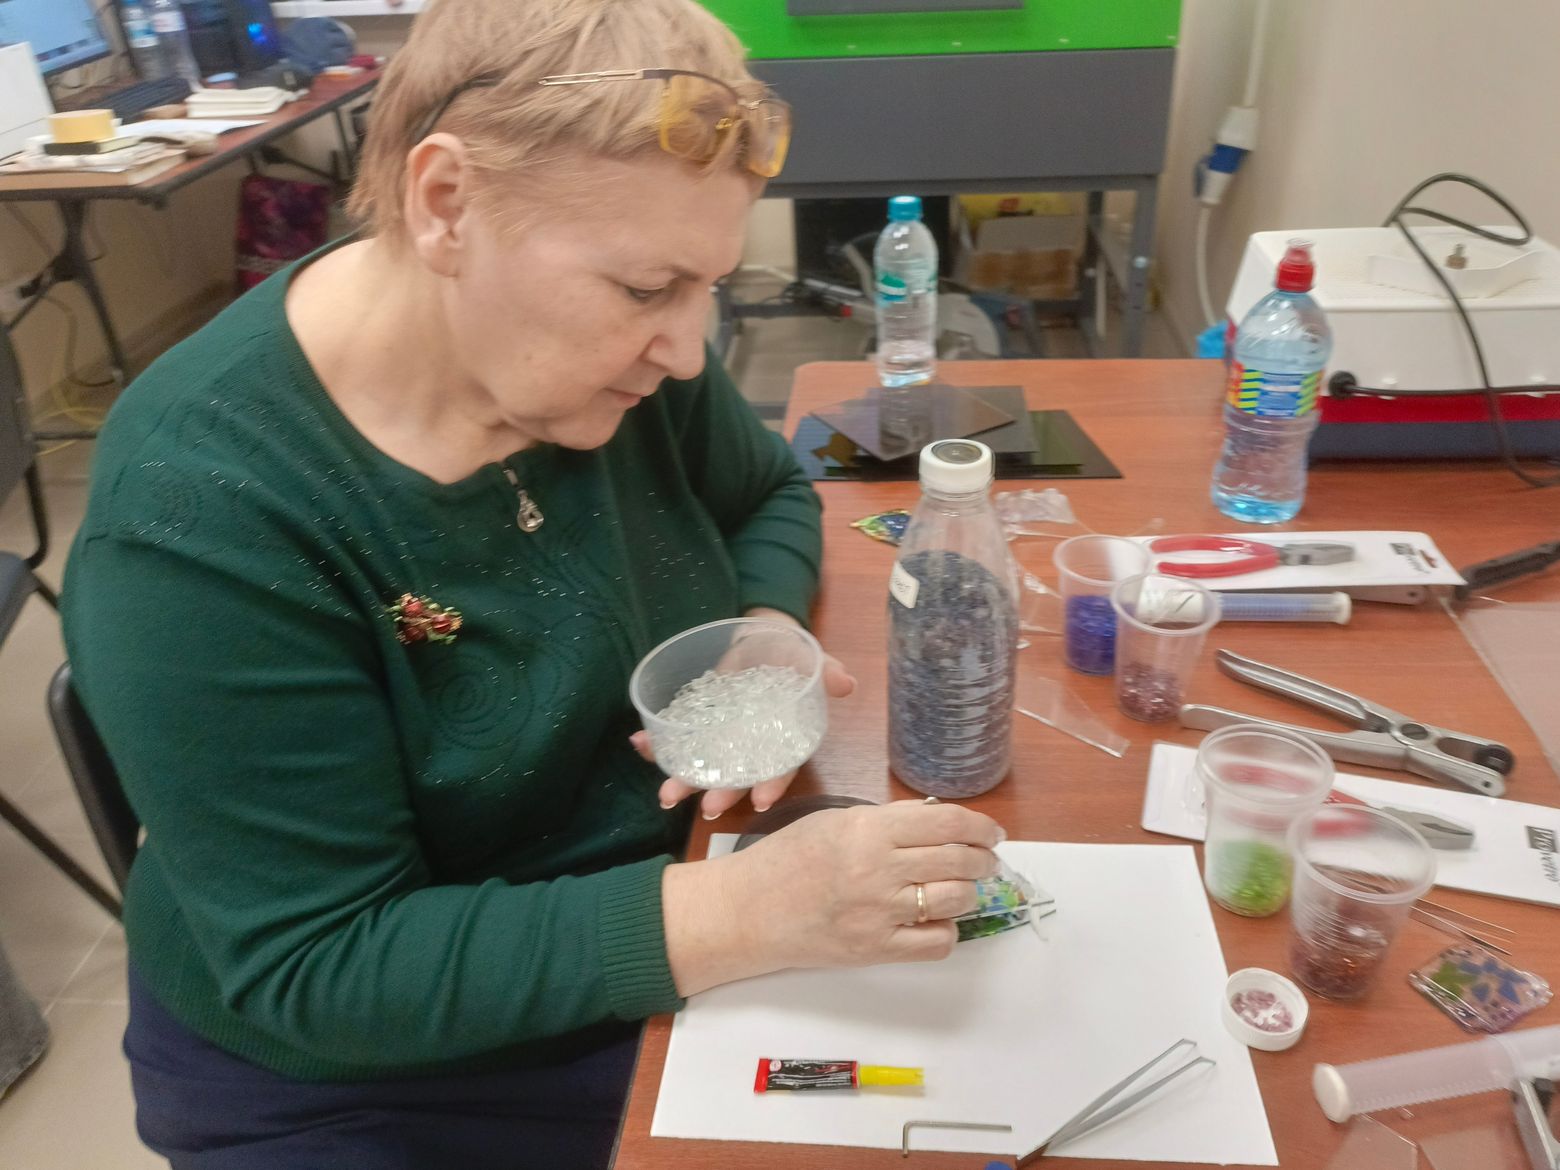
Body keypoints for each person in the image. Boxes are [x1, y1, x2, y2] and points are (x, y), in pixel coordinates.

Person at [60, 1, 1003, 1166]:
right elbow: (322, 965)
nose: (686, 348)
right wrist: (750, 911)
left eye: (708, 285)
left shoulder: (611, 357)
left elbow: (766, 492)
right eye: (647, 289)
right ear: (446, 203)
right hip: (366, 1070)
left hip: (640, 917)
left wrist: (759, 627)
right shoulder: (202, 518)